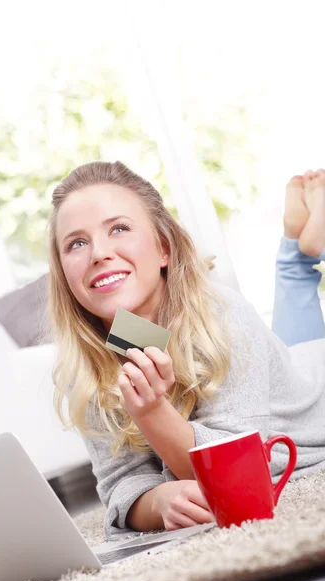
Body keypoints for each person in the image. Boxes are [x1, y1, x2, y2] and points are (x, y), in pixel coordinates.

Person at [47, 161, 325, 538]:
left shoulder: (224, 316)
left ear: (163, 247)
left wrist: (152, 412)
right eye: (76, 243)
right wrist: (158, 502)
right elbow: (120, 488)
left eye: (119, 228)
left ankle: (299, 250)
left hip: (314, 387)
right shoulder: (85, 367)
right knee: (287, 338)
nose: (98, 253)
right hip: (282, 368)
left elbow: (236, 474)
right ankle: (296, 250)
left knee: (298, 348)